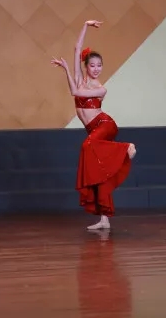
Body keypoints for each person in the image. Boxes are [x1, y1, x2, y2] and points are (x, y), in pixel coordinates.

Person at [51, 20, 136, 231]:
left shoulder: (100, 89)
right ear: (86, 66)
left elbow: (75, 92)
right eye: (93, 65)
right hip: (93, 130)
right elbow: (77, 49)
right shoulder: (80, 79)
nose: (97, 69)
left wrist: (68, 72)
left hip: (104, 125)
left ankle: (125, 148)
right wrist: (86, 25)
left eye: (99, 65)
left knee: (87, 146)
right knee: (99, 173)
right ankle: (104, 219)